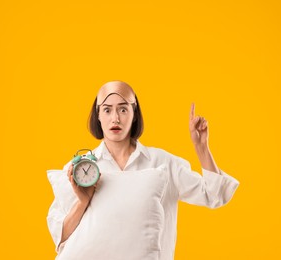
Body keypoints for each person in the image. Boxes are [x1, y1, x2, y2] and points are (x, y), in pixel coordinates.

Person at [47, 81, 239, 260]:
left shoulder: (163, 163)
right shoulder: (81, 170)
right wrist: (83, 201)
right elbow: (61, 237)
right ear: (98, 115)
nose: (115, 118)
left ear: (134, 113)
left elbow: (214, 195)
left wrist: (201, 146)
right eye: (107, 110)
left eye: (123, 109)